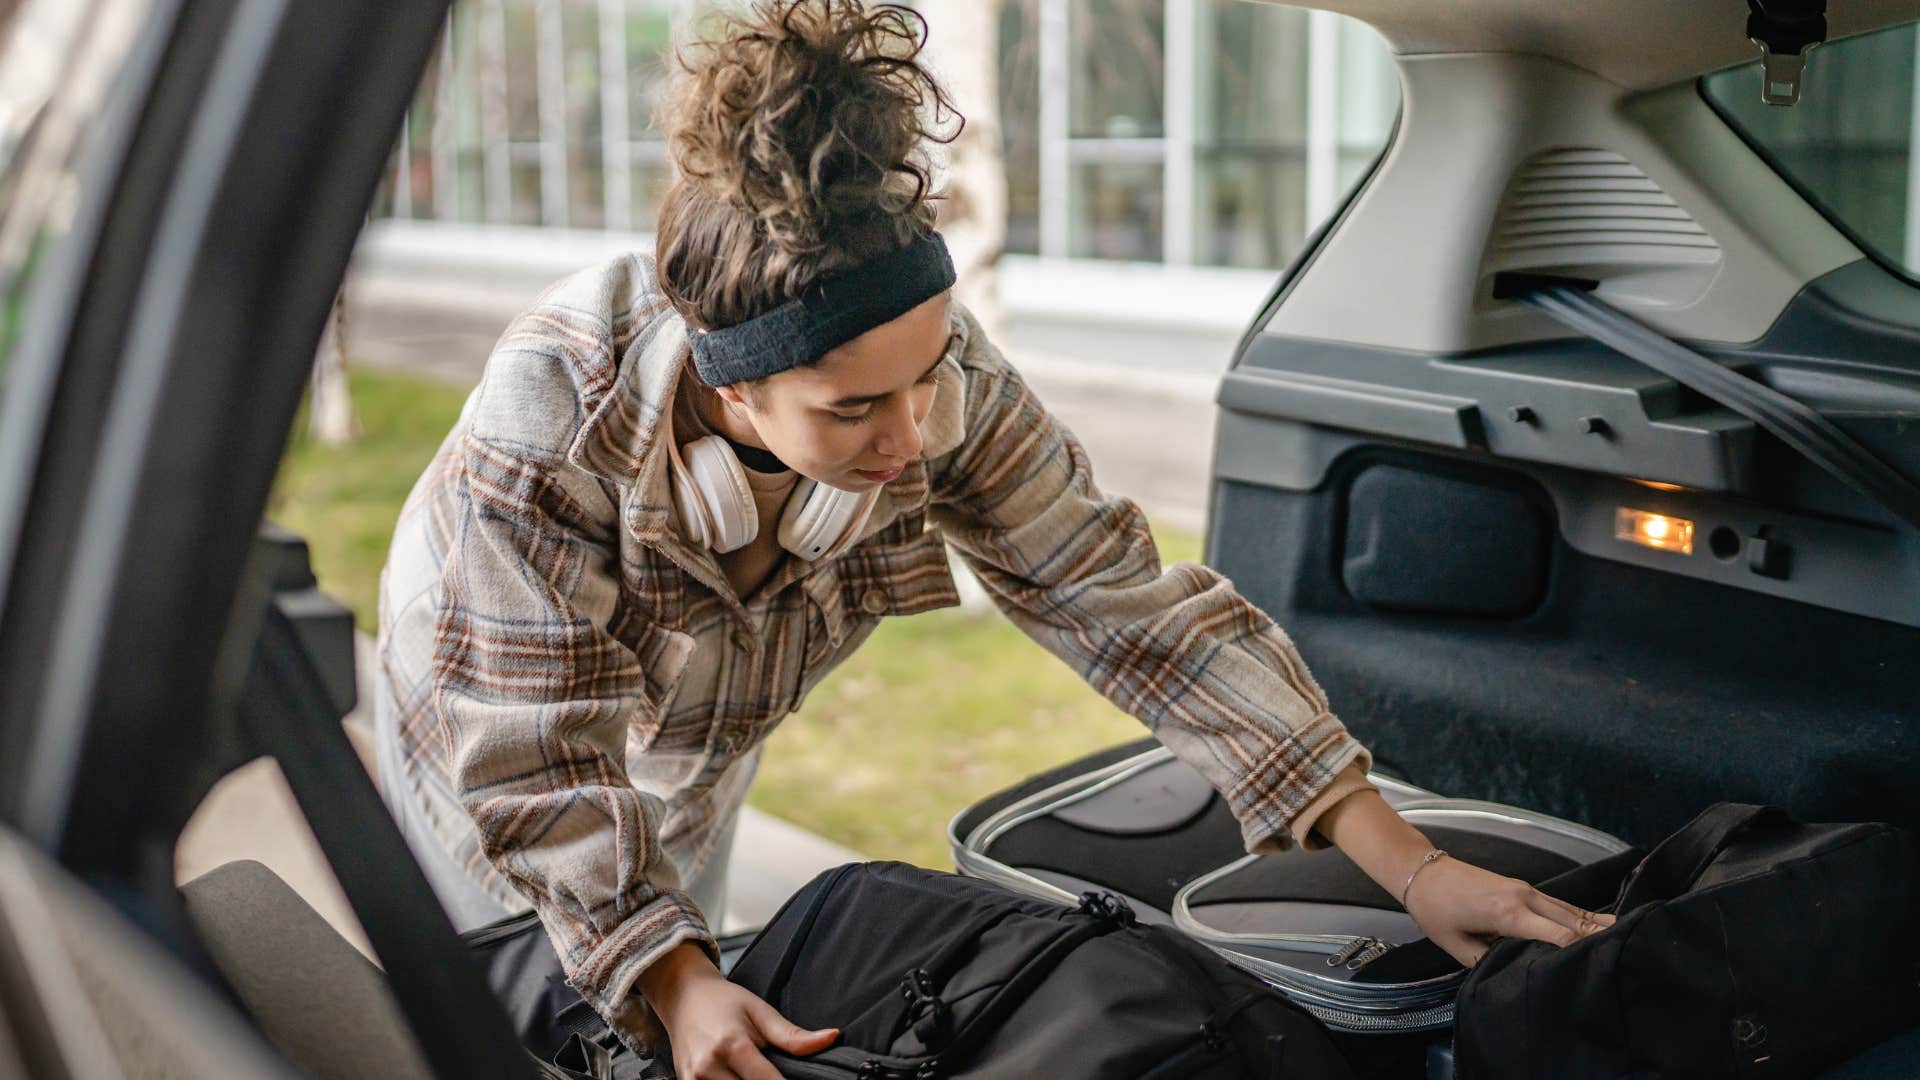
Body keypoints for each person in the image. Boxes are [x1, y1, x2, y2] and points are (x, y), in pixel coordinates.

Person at [372, 2, 1613, 1077]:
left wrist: (1405, 866)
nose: (913, 440)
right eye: (854, 409)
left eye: (924, 382)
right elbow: (537, 768)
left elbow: (1124, 603)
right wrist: (671, 974)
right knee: (510, 1006)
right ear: (730, 387)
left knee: (671, 988)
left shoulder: (930, 373)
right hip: (485, 715)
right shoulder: (552, 417)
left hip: (703, 736)